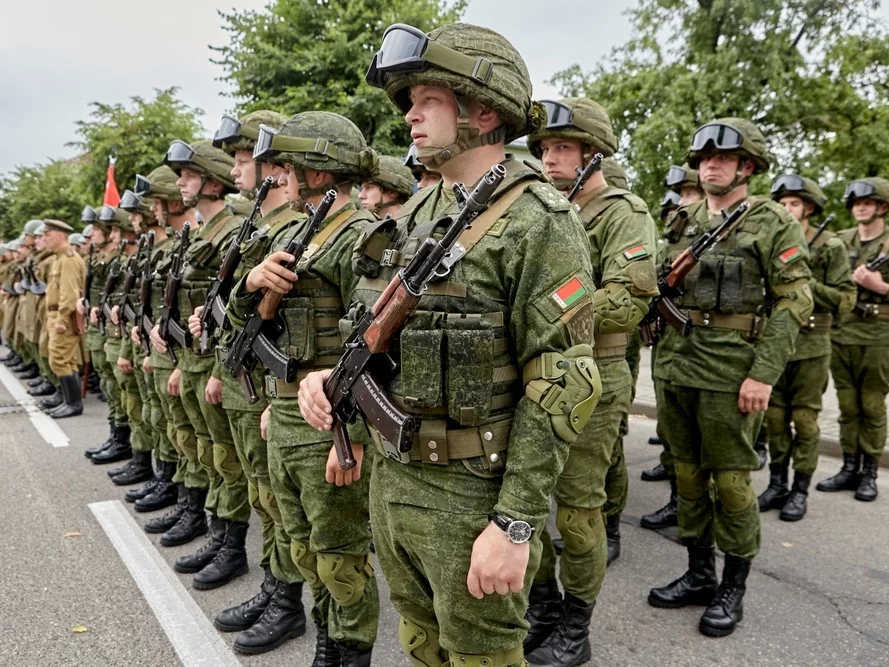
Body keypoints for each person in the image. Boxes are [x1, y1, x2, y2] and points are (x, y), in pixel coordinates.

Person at [298, 21, 601, 667]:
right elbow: (367, 329)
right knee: (418, 638)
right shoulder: (410, 215)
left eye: (425, 98)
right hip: (391, 475)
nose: (409, 114)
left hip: (473, 491)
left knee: (481, 652)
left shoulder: (539, 220)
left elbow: (564, 380)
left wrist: (515, 521)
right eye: (408, 101)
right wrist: (326, 384)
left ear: (480, 107)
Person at [225, 109, 380, 663]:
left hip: (329, 422)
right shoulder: (292, 231)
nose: (279, 172)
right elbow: (250, 327)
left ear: (319, 169)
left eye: (289, 163)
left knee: (340, 553)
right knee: (303, 545)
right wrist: (251, 282)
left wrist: (354, 435)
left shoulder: (361, 238)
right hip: (288, 412)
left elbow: (374, 345)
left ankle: (350, 647)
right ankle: (327, 638)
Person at [649, 118, 812, 637]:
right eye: (703, 158)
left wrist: (763, 374)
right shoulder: (682, 219)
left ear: (747, 166)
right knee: (687, 474)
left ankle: (733, 585)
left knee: (732, 482)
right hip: (674, 364)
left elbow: (794, 301)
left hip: (730, 371)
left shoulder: (771, 222)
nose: (709, 165)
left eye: (722, 157)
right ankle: (699, 572)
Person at [523, 96, 656, 665]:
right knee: (525, 506)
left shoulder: (623, 211)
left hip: (595, 372)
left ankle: (576, 625)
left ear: (592, 153)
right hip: (535, 372)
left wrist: (553, 307)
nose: (550, 158)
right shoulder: (544, 209)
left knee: (578, 511)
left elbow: (627, 300)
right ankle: (546, 606)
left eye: (562, 148)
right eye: (546, 148)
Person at [204, 109, 311, 656]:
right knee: (265, 497)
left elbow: (297, 331)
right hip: (248, 378)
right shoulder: (259, 229)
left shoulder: (295, 228)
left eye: (247, 158)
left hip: (273, 389)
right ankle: (276, 588)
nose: (238, 167)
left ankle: (286, 598)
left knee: (277, 501)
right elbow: (238, 313)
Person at [151, 139, 249, 589]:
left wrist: (215, 371)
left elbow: (230, 312)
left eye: (188, 176)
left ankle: (231, 544)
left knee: (226, 458)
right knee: (206, 451)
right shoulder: (201, 234)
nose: (181, 184)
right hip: (190, 361)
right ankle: (216, 529)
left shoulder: (232, 232)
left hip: (217, 368)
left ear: (211, 181)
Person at [756, 175, 856, 520]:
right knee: (774, 419)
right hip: (775, 343)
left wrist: (807, 283)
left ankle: (800, 489)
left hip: (812, 346)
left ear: (808, 208)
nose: (786, 209)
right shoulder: (768, 240)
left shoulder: (829, 246)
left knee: (805, 420)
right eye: (781, 204)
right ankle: (776, 484)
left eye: (793, 204)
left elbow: (846, 299)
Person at [818, 177, 889, 501]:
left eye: (868, 202)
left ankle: (869, 472)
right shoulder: (839, 240)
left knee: (871, 406)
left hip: (878, 336)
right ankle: (849, 467)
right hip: (841, 332)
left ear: (882, 207)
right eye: (856, 203)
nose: (860, 207)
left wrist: (881, 287)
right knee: (847, 407)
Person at [43, 219, 86, 418]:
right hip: (57, 316)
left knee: (60, 360)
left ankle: (73, 403)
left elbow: (69, 295)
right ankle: (70, 401)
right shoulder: (61, 258)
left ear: (60, 236)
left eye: (47, 235)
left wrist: (60, 319)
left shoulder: (67, 259)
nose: (45, 239)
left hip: (63, 319)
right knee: (66, 361)